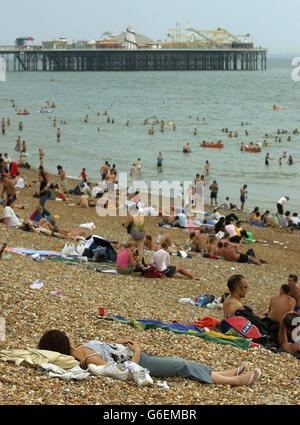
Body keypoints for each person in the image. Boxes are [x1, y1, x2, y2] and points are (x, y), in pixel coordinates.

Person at [38, 329, 262, 387]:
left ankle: (223, 374)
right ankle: (233, 381)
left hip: (137, 354)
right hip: (141, 362)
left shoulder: (83, 347)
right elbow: (125, 371)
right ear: (62, 343)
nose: (67, 337)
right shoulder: (89, 361)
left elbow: (107, 348)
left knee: (180, 362)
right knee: (182, 365)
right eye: (63, 337)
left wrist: (123, 343)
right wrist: (137, 350)